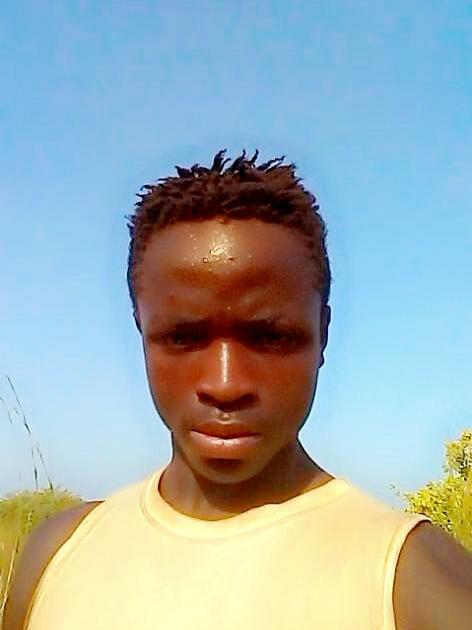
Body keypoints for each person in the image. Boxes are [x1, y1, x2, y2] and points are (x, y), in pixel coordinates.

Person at [4, 150, 472, 629]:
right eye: (183, 338)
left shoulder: (411, 580)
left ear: (323, 334)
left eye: (271, 337)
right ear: (141, 328)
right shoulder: (56, 555)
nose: (225, 385)